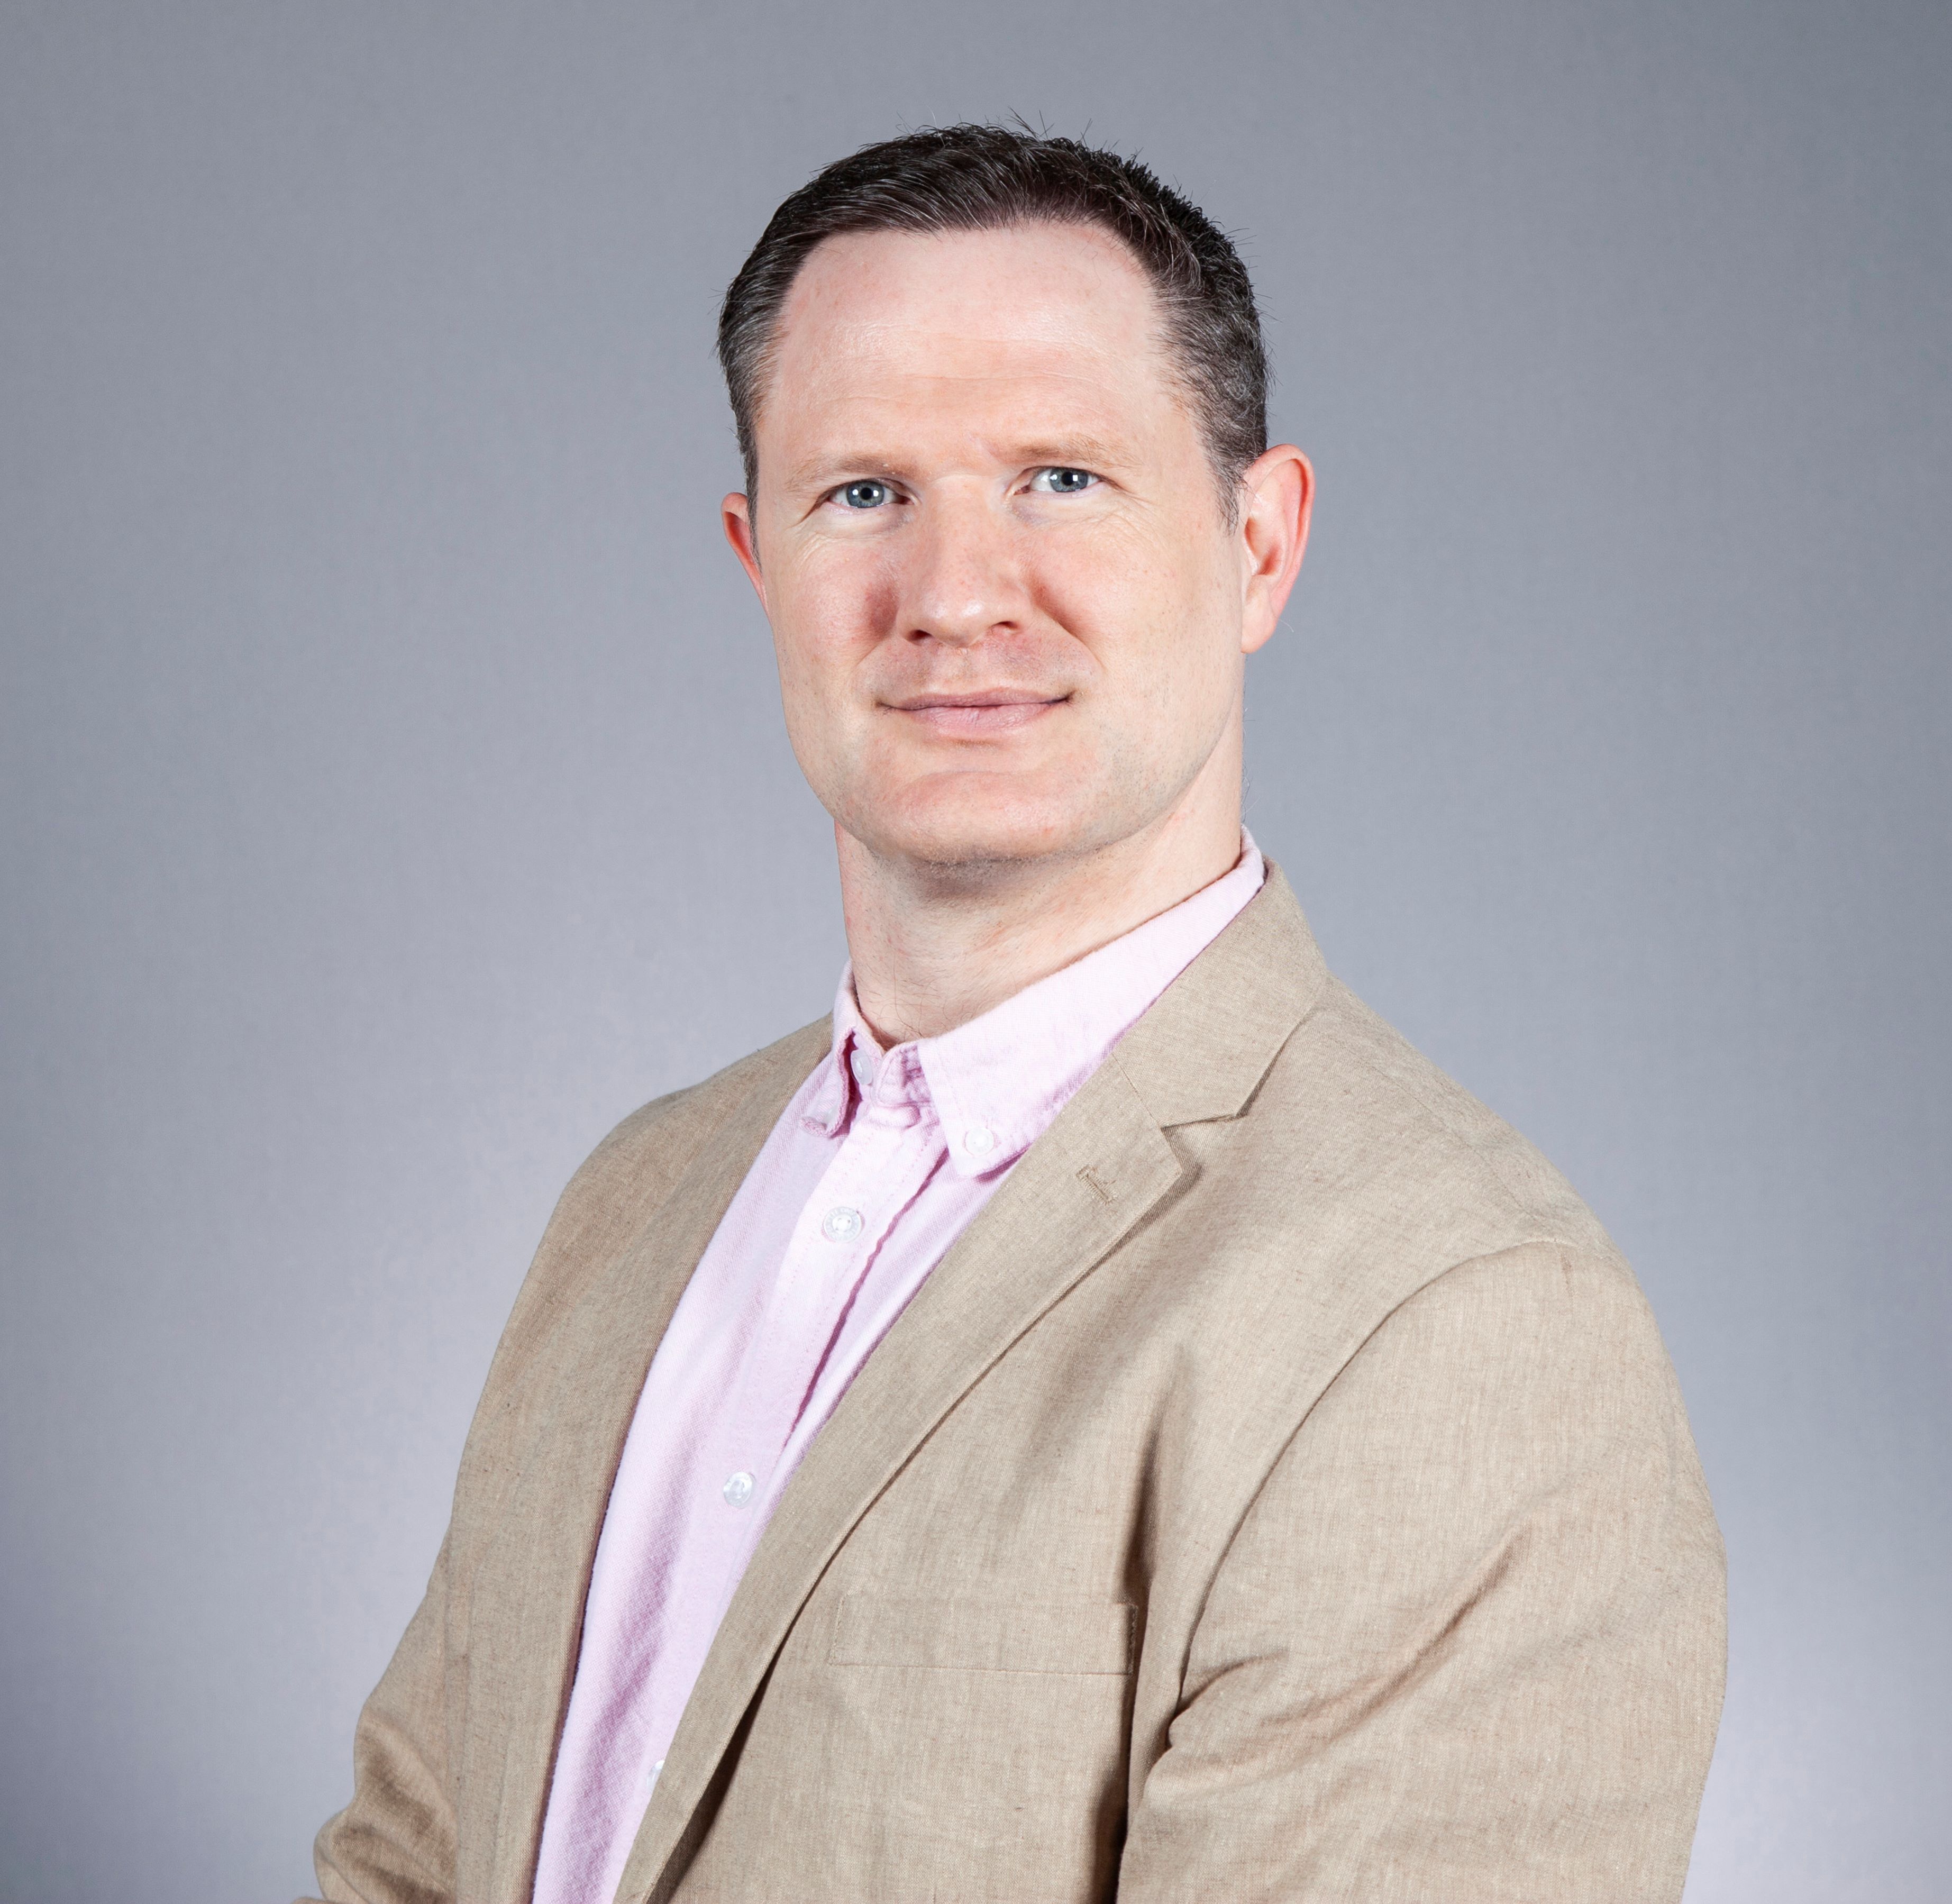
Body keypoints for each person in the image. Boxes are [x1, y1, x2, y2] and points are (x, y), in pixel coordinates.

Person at [305, 125, 1725, 1904]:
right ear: (759, 562)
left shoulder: (1460, 1322)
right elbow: (410, 1854)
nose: (956, 592)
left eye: (1058, 477)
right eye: (863, 493)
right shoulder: (635, 1202)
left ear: (1260, 543)